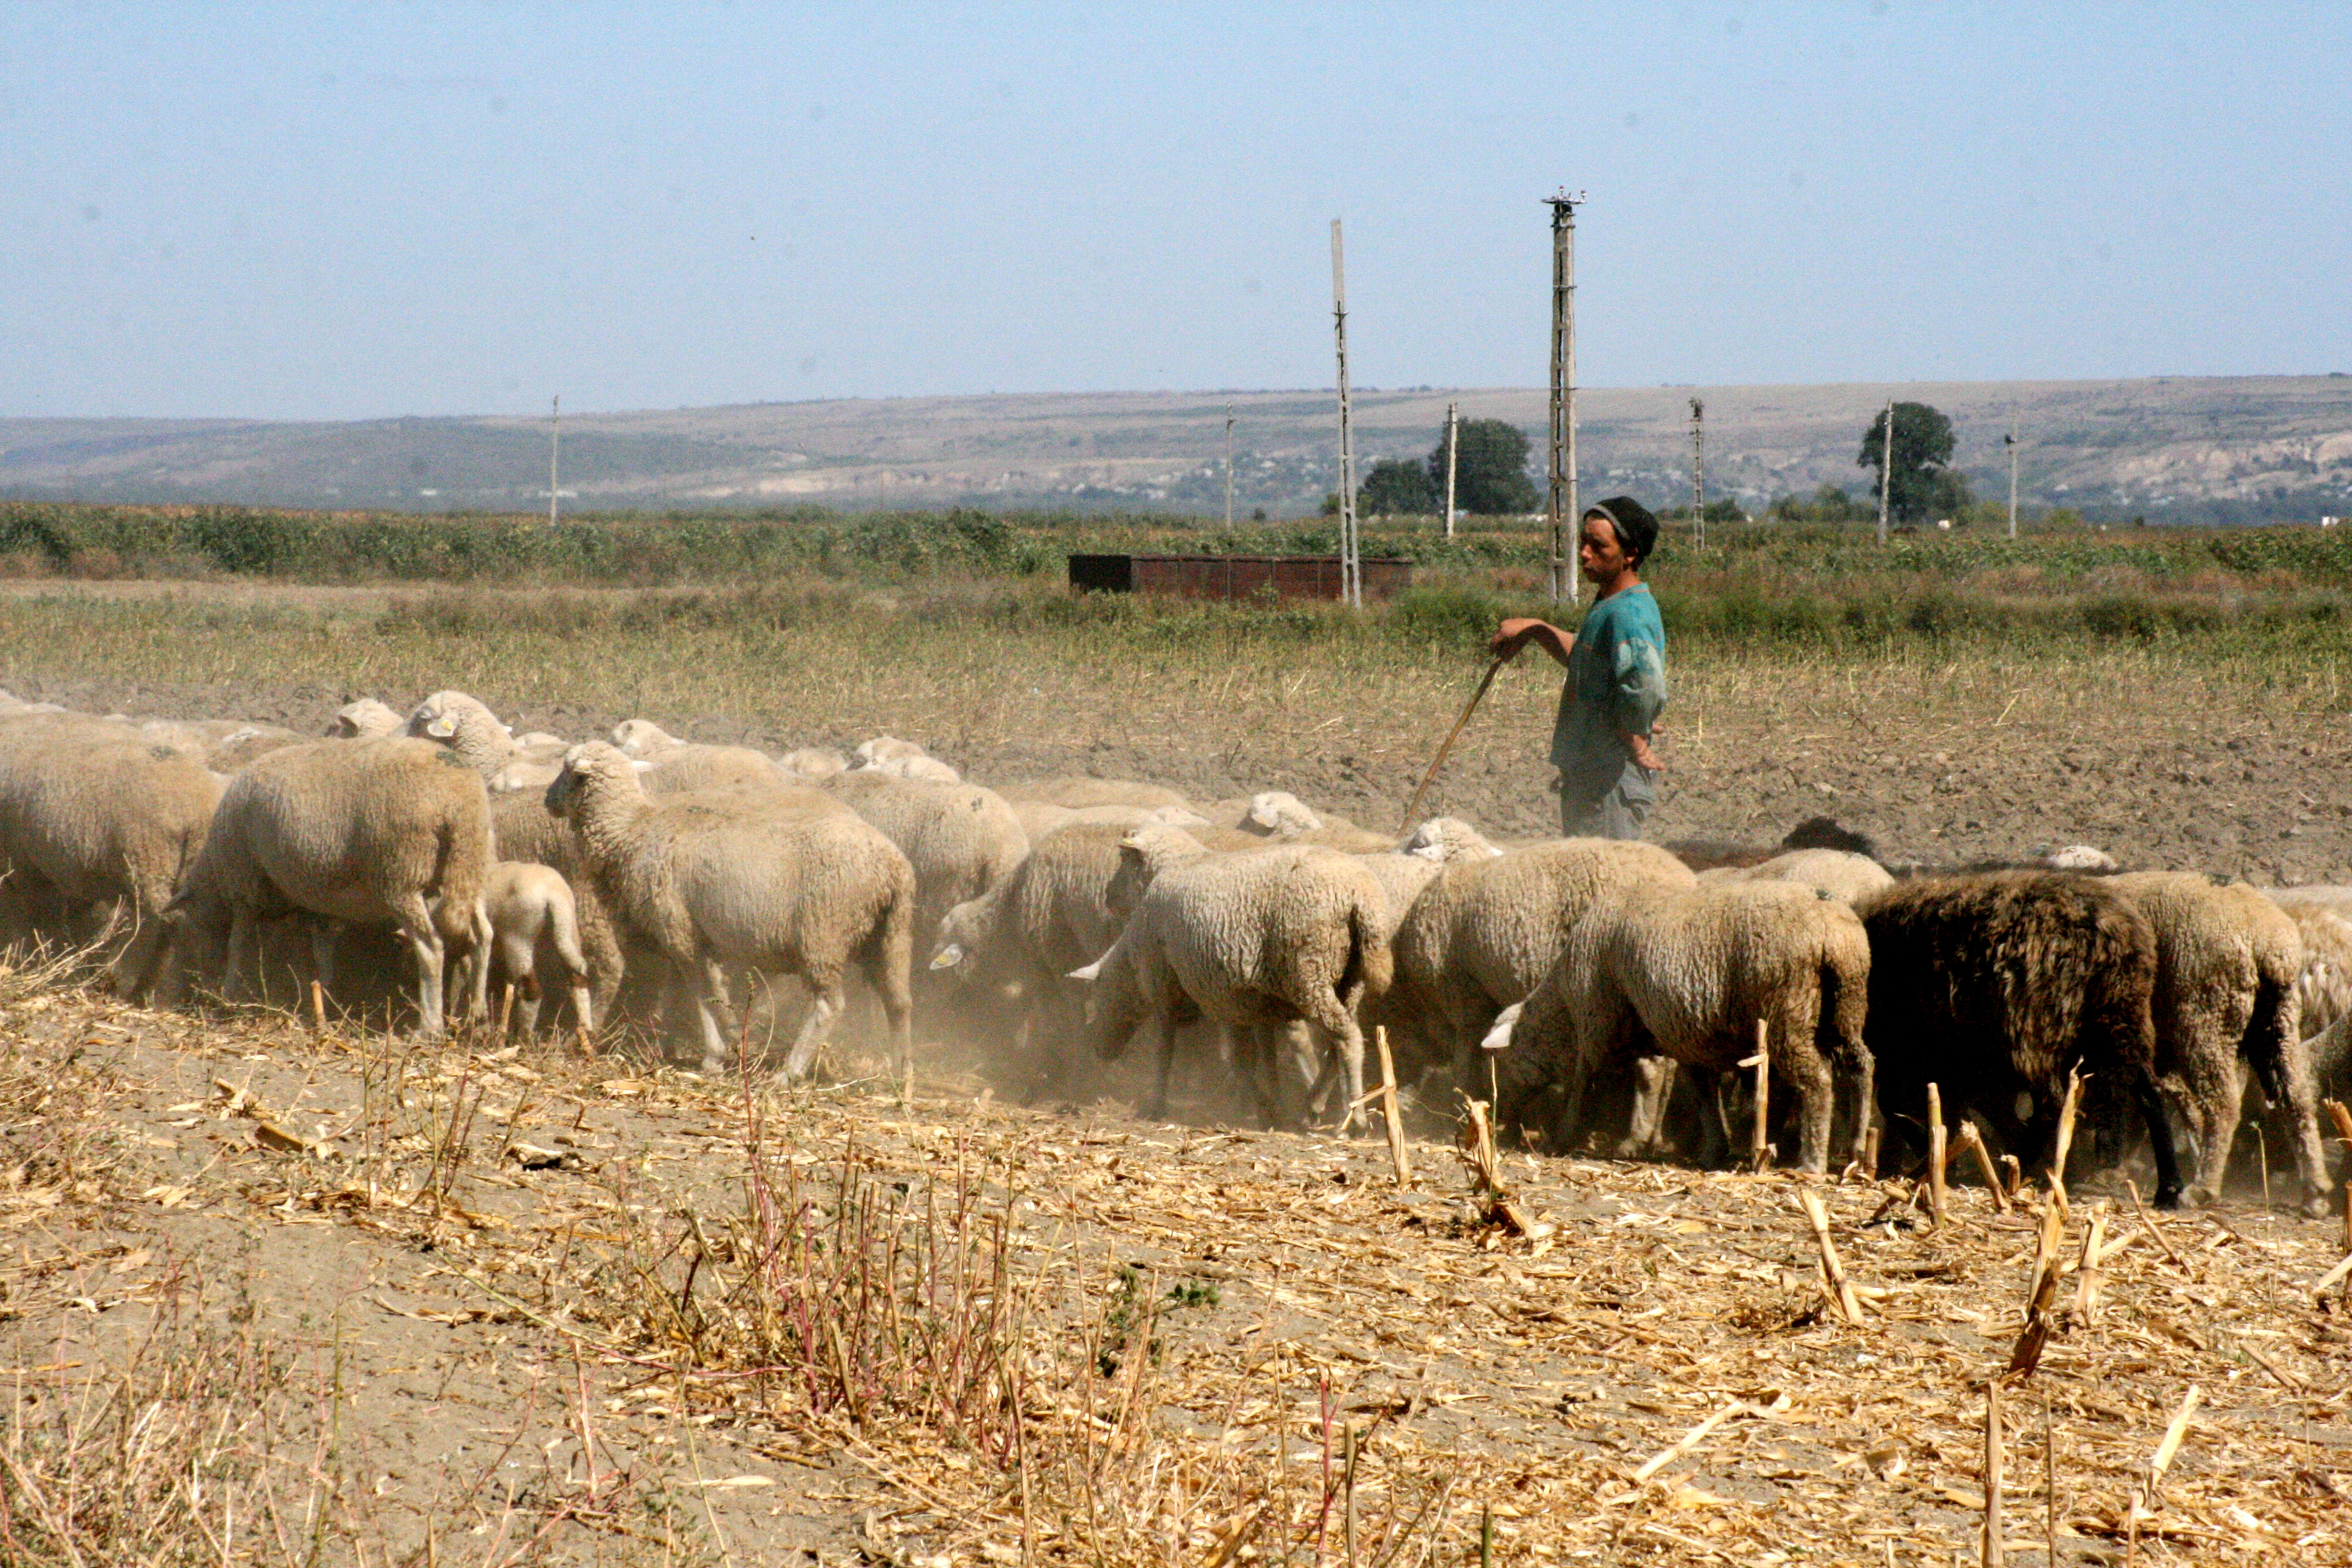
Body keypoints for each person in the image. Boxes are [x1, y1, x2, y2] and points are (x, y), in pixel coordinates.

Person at [1488, 497, 1666, 839]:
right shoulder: (1609, 604)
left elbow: (1647, 685)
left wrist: (1636, 738)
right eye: (1584, 542)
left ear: (1630, 555)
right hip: (1591, 774)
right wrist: (1537, 630)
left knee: (1603, 883)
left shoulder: (1629, 614)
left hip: (1609, 781)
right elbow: (1590, 660)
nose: (1584, 553)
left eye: (1598, 546)